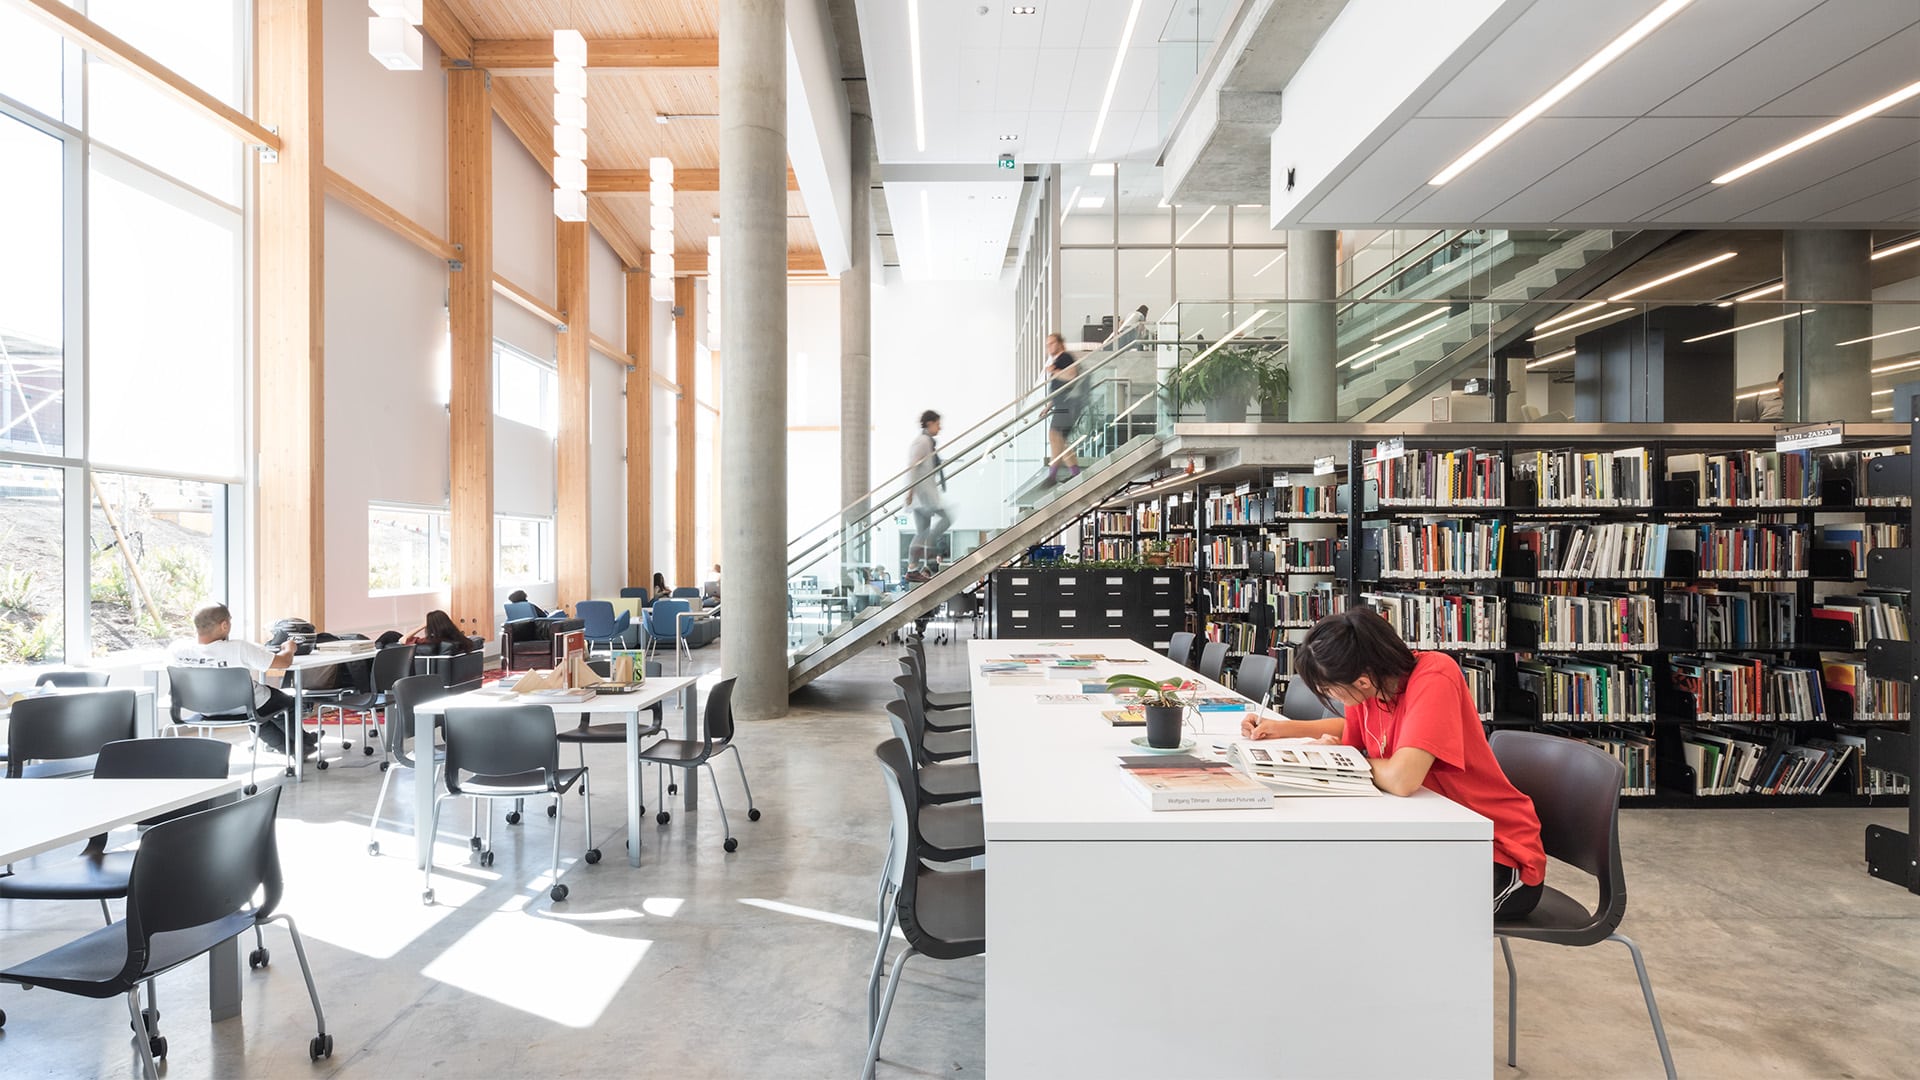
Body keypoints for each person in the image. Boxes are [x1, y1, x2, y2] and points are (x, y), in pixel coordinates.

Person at [1241, 609, 1547, 916]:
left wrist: (1349, 760)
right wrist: (1285, 729)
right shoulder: (1371, 689)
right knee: (1341, 889)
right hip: (1434, 839)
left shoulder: (1434, 675)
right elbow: (1351, 737)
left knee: (1391, 913)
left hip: (1497, 853)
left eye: (1330, 690)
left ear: (1361, 681)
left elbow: (1402, 779)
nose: (1330, 697)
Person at [169, 601, 315, 759]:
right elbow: (283, 663)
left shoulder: (176, 649)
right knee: (284, 703)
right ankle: (303, 743)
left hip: (204, 708)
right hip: (246, 707)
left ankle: (296, 748)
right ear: (224, 625)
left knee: (261, 715)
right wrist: (289, 649)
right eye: (230, 621)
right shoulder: (239, 648)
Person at [905, 409, 952, 583]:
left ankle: (913, 569)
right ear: (929, 423)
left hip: (924, 493)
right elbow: (913, 467)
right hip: (922, 494)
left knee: (922, 531)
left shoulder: (927, 442)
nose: (940, 428)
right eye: (938, 424)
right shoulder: (923, 442)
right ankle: (928, 551)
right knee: (946, 518)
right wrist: (910, 492)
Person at [1043, 334, 1083, 484]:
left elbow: (1071, 376)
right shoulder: (1058, 360)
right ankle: (1074, 473)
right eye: (1048, 345)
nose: (1049, 347)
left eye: (1052, 343)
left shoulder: (1065, 357)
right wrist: (1049, 406)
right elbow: (1060, 389)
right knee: (1060, 440)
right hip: (1062, 404)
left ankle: (1053, 475)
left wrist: (1054, 371)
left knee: (1055, 436)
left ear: (1060, 343)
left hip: (1068, 405)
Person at [405, 609, 472, 654]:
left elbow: (402, 640)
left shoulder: (430, 641)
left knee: (394, 635)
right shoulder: (460, 639)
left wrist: (420, 627)